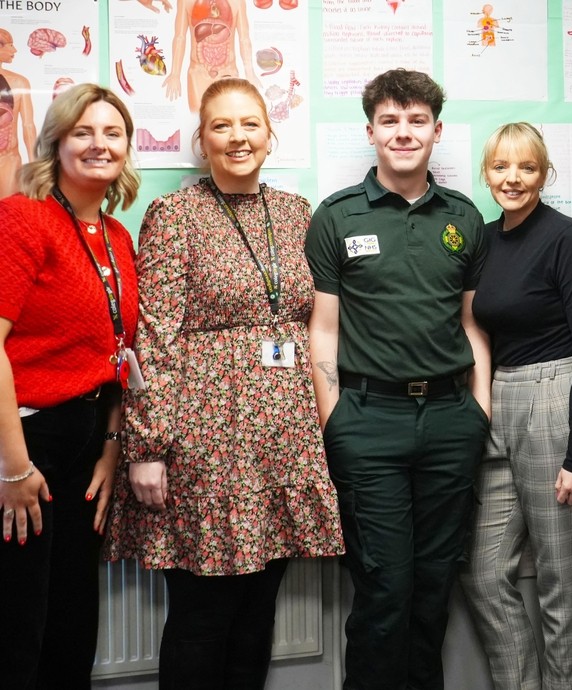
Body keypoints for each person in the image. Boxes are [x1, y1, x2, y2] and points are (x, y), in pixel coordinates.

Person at [104, 77, 343, 689]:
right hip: (205, 443)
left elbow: (318, 323)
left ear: (271, 134)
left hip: (282, 439)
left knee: (257, 610)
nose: (238, 137)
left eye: (249, 124)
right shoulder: (176, 214)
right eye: (222, 126)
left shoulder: (296, 214)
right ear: (200, 141)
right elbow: (152, 336)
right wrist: (148, 446)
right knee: (202, 615)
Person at [306, 68, 491, 690]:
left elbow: (472, 322)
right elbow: (324, 328)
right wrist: (336, 418)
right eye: (390, 120)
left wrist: (479, 409)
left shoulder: (464, 219)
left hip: (448, 422)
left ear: (437, 131)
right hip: (367, 422)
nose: (403, 132)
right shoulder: (337, 217)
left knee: (434, 586)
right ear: (371, 131)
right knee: (385, 591)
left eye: (417, 121)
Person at [0, 83, 140, 690]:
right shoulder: (23, 219)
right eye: (82, 132)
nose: (98, 144)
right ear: (56, 144)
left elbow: (114, 354)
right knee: (18, 627)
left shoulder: (118, 237)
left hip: (86, 450)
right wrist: (12, 469)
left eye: (112, 133)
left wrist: (111, 447)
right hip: (25, 442)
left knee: (73, 623)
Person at [459, 123, 572, 690]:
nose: (512, 178)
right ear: (487, 173)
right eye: (501, 167)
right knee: (481, 569)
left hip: (557, 397)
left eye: (526, 167)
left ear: (544, 174)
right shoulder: (487, 239)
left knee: (560, 583)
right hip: (502, 397)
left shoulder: (566, 237)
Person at [162, 0, 259, 112]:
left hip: (227, 72)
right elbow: (180, 37)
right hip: (198, 73)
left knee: (226, 119)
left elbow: (244, 38)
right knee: (197, 119)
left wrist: (250, 73)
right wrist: (175, 74)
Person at [0, 29, 37, 199]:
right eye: (10, 45)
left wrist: (35, 165)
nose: (14, 50)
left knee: (9, 214)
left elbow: (28, 125)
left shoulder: (19, 82)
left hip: (9, 160)